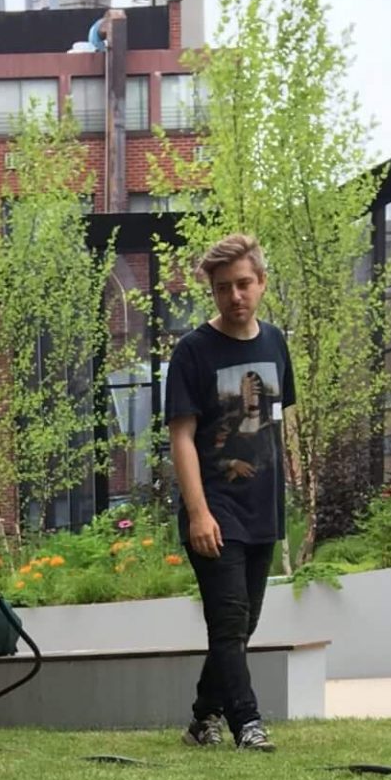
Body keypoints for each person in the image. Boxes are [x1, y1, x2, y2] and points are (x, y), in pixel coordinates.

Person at [164, 233, 297, 753]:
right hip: (215, 507)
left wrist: (290, 486)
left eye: (244, 284)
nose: (235, 296)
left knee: (245, 624)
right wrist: (198, 513)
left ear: (261, 283)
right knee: (227, 620)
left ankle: (202, 719)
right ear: (213, 293)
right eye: (223, 288)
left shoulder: (276, 342)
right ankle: (248, 722)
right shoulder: (193, 352)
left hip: (263, 506)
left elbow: (279, 419)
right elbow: (181, 437)